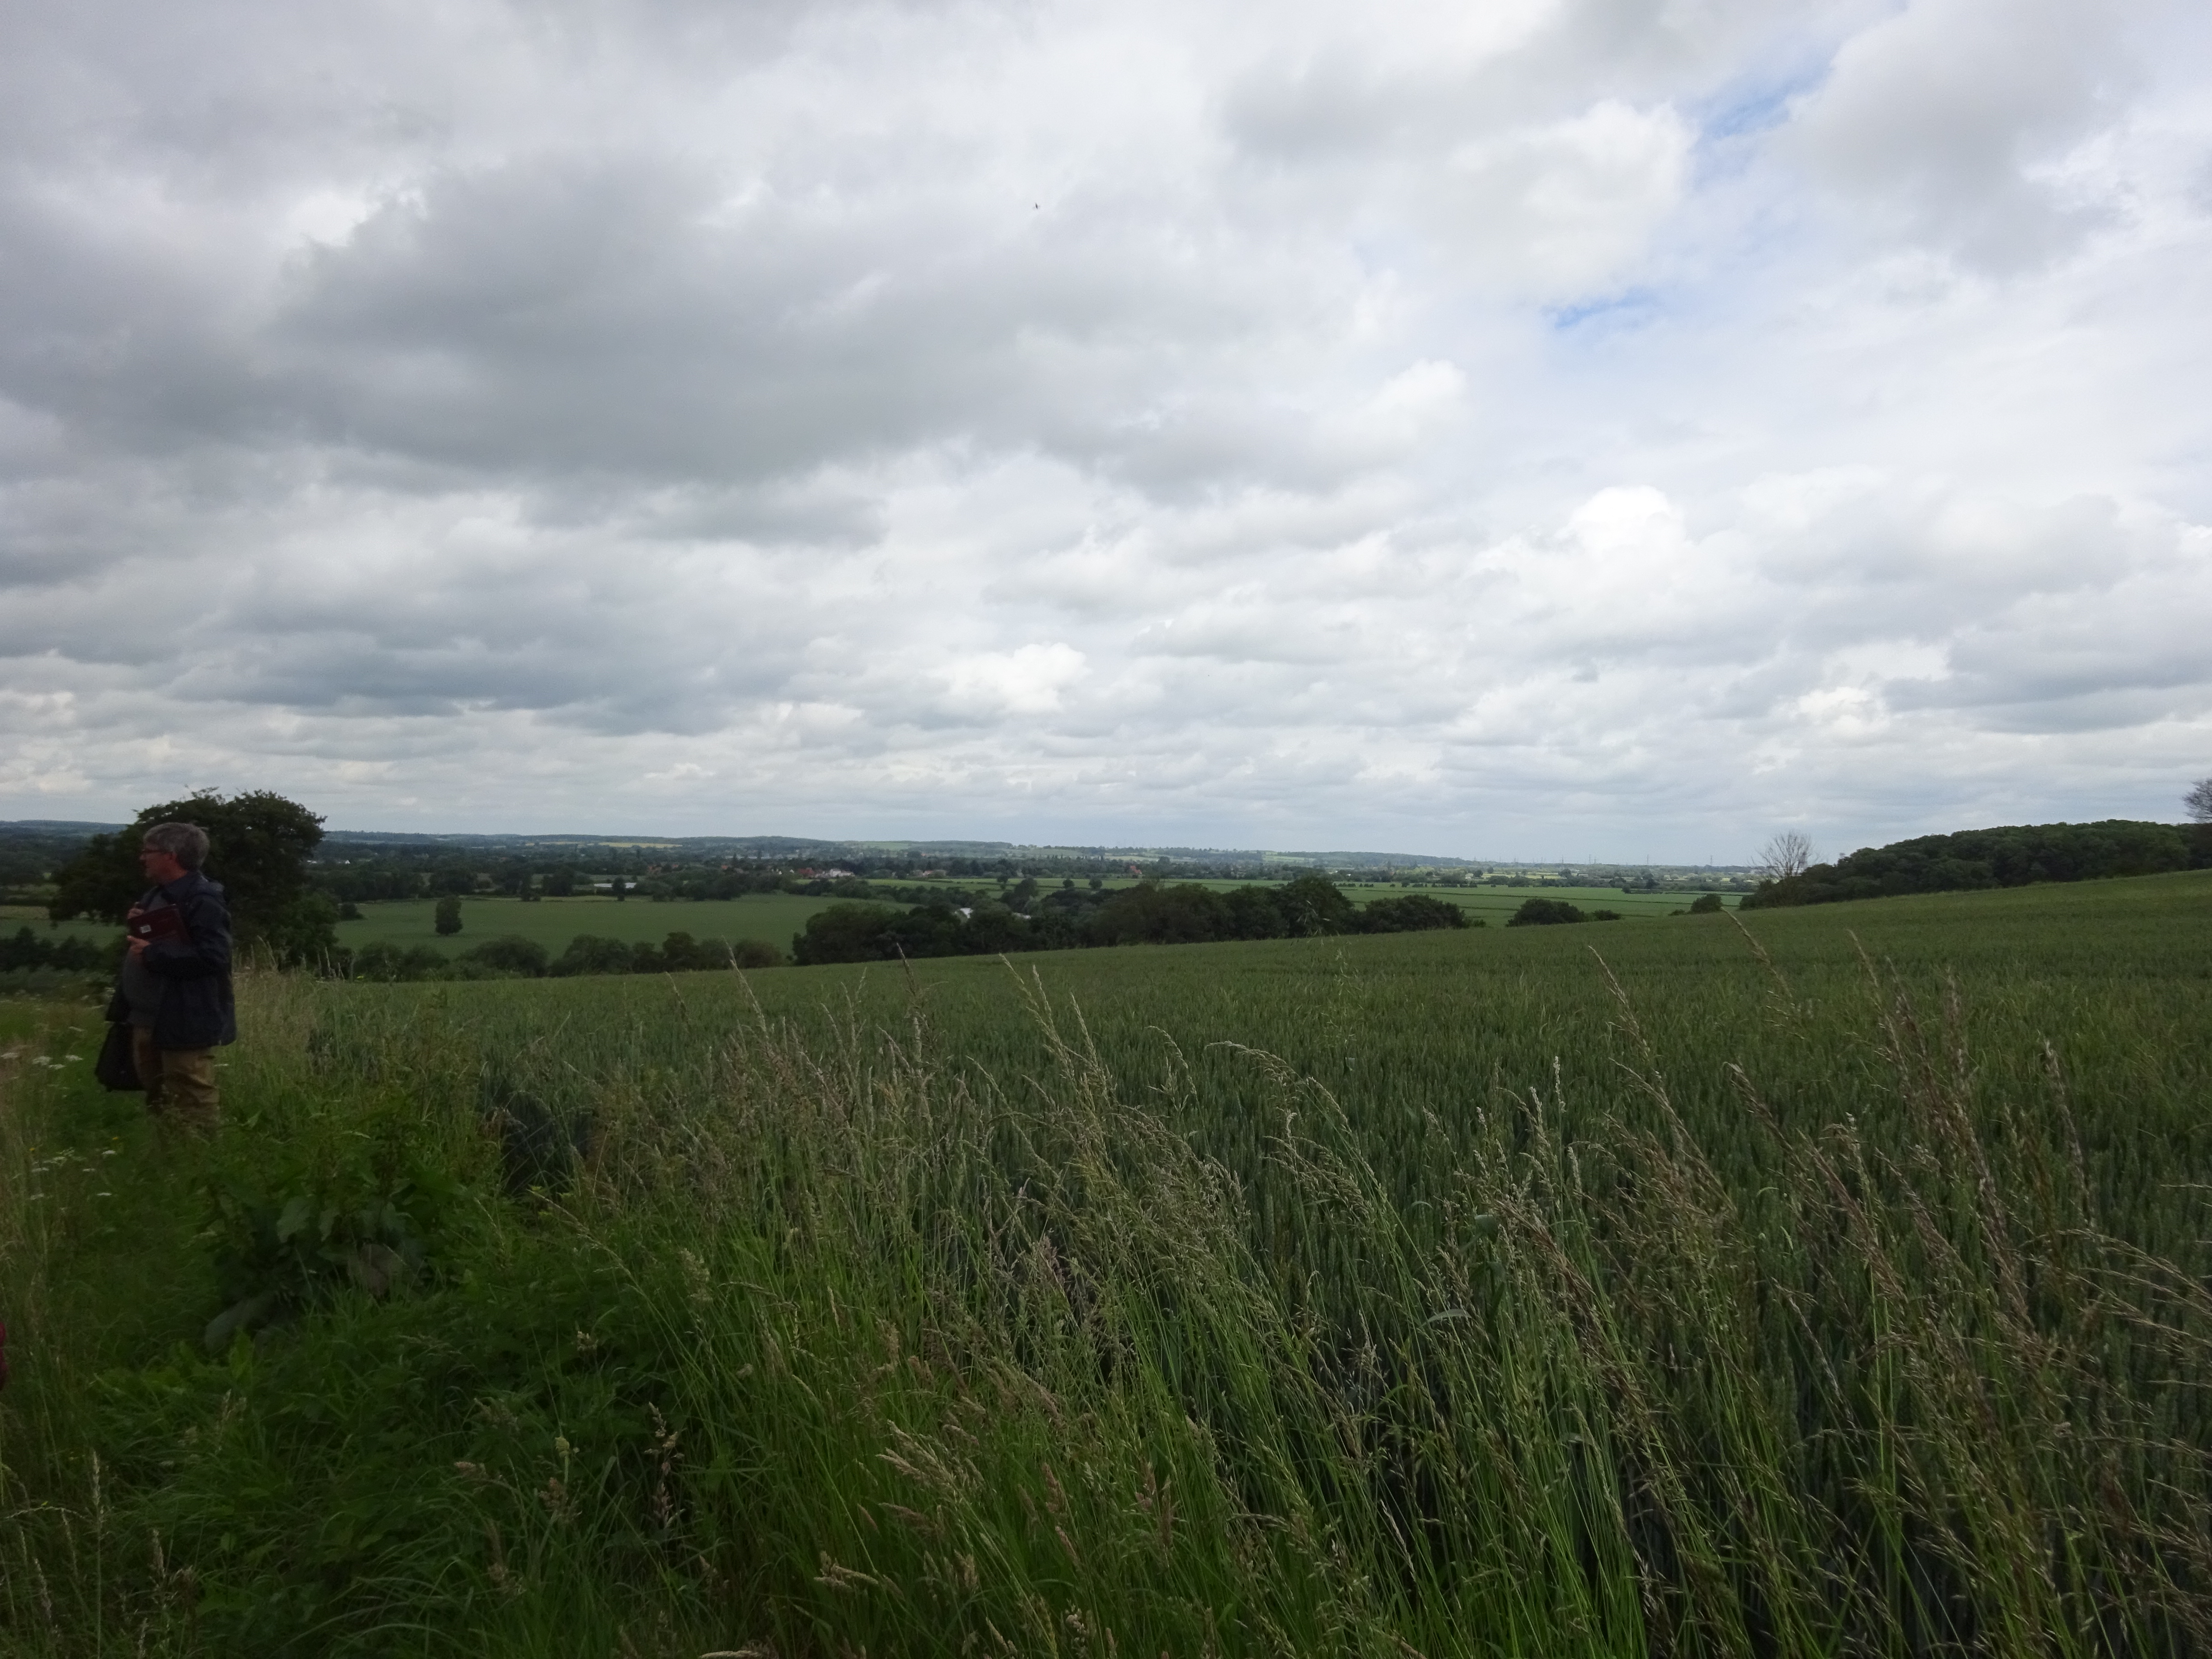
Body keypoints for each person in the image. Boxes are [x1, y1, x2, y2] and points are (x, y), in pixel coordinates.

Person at [105, 821, 235, 1134]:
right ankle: (172, 1162)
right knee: (159, 1094)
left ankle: (202, 1165)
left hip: (183, 1017)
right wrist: (140, 924)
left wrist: (152, 955)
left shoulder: (202, 899)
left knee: (192, 1095)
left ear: (171, 856)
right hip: (148, 1017)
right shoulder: (157, 895)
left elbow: (213, 957)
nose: (142, 858)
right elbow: (165, 940)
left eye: (148, 852)